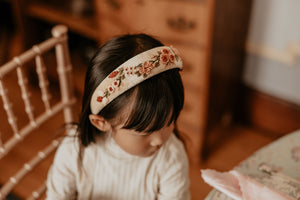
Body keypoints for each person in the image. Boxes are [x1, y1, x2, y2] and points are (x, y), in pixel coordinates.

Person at [46, 33, 190, 200]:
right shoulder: (74, 151)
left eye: (170, 122)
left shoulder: (171, 158)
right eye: (145, 132)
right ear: (101, 122)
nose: (160, 140)